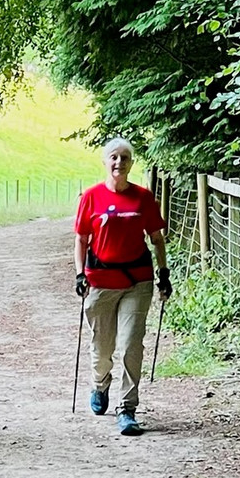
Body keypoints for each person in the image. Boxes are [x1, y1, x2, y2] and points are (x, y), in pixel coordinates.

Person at [74, 137, 171, 436]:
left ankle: (127, 409)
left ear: (131, 163)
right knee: (102, 348)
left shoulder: (143, 198)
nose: (119, 163)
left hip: (136, 282)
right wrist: (80, 275)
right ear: (105, 161)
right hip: (101, 281)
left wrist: (163, 273)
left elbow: (156, 239)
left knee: (130, 345)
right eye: (114, 157)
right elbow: (81, 239)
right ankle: (99, 384)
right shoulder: (91, 197)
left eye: (125, 158)